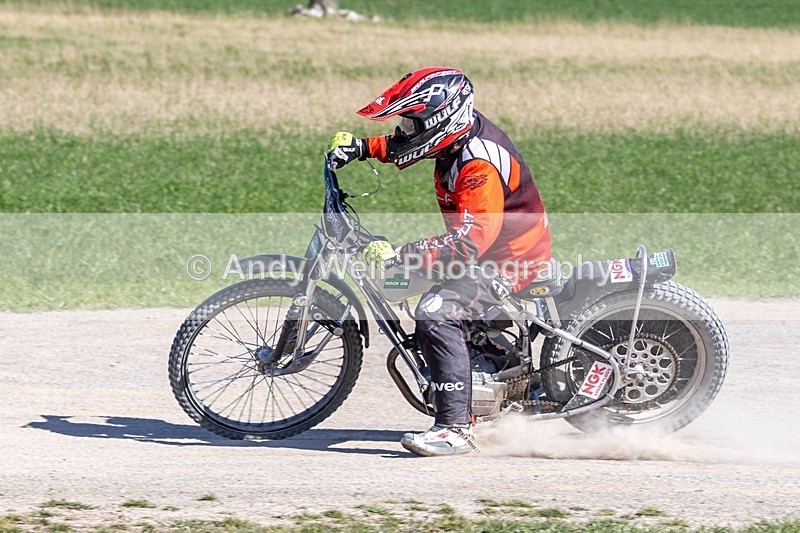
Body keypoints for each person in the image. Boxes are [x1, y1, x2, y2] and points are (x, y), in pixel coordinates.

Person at [327, 66, 551, 456]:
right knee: (400, 282)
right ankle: (491, 363)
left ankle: (455, 429)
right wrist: (364, 148)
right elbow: (414, 141)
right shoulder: (453, 137)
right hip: (488, 251)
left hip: (508, 260)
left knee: (434, 310)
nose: (406, 130)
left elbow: (470, 243)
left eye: (412, 122)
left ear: (442, 119)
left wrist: (403, 254)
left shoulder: (478, 165)